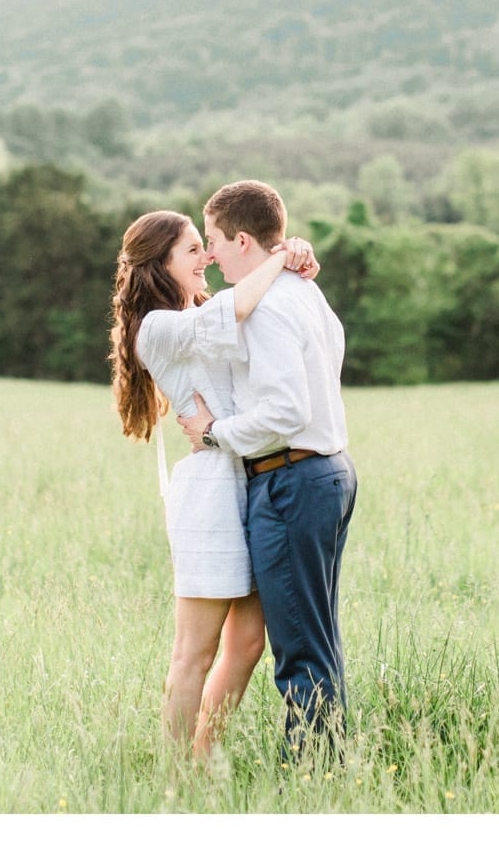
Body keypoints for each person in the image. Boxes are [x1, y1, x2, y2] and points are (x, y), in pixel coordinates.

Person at [107, 209, 318, 762]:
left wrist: (291, 251)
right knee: (193, 653)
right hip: (208, 495)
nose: (206, 259)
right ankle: (177, 777)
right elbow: (241, 304)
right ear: (160, 264)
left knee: (248, 644)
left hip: (252, 483)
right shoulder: (156, 327)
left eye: (207, 247)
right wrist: (278, 257)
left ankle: (204, 755)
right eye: (192, 250)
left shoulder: (198, 311)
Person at [178, 180, 358, 760]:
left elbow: (285, 411)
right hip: (327, 472)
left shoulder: (267, 310)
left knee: (300, 646)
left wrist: (215, 434)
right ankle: (327, 764)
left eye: (214, 242)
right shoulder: (307, 294)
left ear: (245, 240)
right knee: (318, 635)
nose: (210, 255)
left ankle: (309, 778)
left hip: (289, 481)